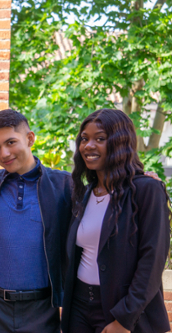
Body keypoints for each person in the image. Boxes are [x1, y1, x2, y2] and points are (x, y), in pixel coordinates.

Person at [0, 109, 73, 332]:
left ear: (30, 138)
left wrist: (139, 180)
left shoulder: (64, 186)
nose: (4, 153)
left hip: (42, 310)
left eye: (11, 142)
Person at [61, 109, 170, 333]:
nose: (88, 146)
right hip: (79, 307)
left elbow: (152, 260)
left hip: (121, 310)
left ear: (120, 142)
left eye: (100, 139)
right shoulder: (84, 193)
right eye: (84, 139)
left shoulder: (146, 189)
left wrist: (125, 318)